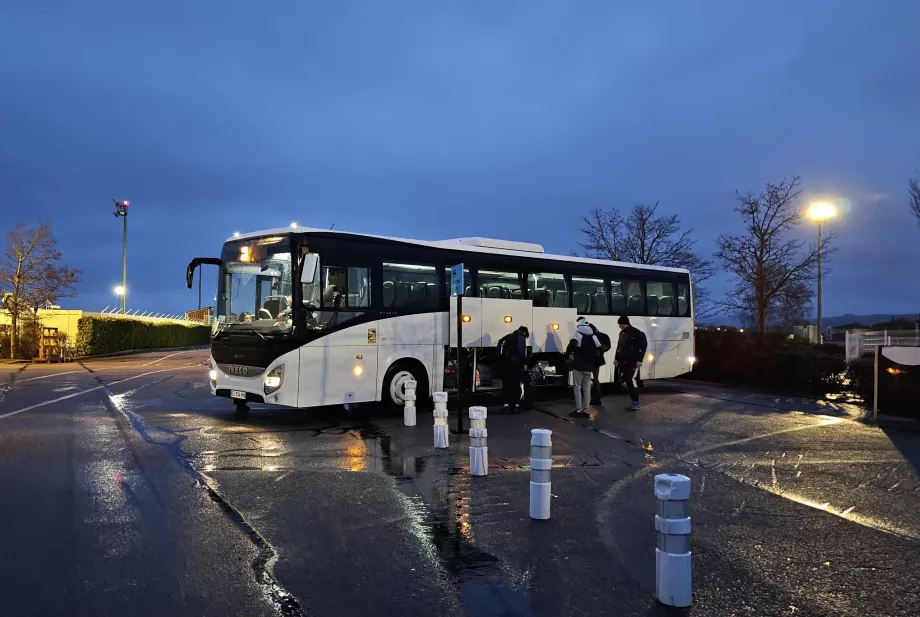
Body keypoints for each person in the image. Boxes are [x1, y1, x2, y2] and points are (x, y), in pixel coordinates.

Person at [566, 320, 601, 417]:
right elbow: (599, 347)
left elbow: (571, 346)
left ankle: (578, 410)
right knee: (587, 388)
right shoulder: (593, 335)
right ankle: (586, 411)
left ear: (579, 325)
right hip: (589, 366)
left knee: (577, 387)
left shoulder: (577, 334)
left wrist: (569, 354)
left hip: (578, 365)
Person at [576, 316, 611, 406]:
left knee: (587, 378)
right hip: (597, 359)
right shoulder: (594, 329)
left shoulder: (586, 330)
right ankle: (597, 397)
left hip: (591, 359)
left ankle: (593, 398)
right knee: (595, 378)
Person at [616, 316, 648, 411]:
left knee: (630, 380)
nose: (619, 326)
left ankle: (635, 401)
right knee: (628, 380)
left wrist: (640, 359)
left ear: (624, 323)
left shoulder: (636, 333)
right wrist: (616, 358)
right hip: (624, 360)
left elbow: (642, 346)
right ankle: (633, 400)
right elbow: (619, 346)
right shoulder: (622, 333)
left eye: (620, 324)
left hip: (632, 360)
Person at [498, 326, 530, 413]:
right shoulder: (521, 337)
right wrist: (524, 364)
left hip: (505, 364)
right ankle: (515, 405)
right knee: (515, 385)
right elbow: (521, 352)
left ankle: (506, 405)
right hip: (514, 365)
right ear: (524, 332)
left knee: (507, 385)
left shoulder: (508, 336)